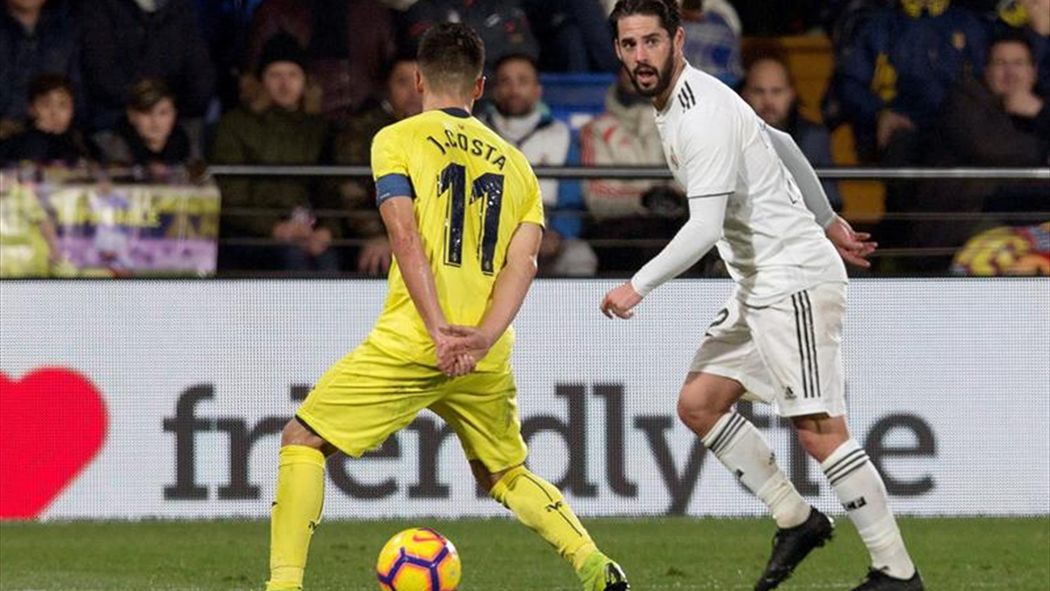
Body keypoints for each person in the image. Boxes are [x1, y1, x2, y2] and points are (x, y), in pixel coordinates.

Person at [265, 22, 630, 591]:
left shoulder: (397, 138)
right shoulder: (517, 166)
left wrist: (438, 328)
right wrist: (480, 337)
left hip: (417, 339)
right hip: (483, 350)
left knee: (303, 438)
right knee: (504, 470)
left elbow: (403, 235)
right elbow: (523, 264)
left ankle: (282, 587)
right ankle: (593, 564)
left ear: (416, 80)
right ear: (480, 87)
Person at [601, 2, 923, 590]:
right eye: (629, 45)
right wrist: (828, 217)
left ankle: (896, 573)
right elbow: (777, 140)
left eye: (651, 42)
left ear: (678, 39)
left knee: (819, 429)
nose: (641, 57)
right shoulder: (694, 100)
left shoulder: (697, 113)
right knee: (699, 403)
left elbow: (703, 228)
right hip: (760, 284)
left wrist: (636, 286)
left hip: (792, 279)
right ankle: (796, 518)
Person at [211, 33, 340, 273]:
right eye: (275, 75)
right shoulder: (235, 125)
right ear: (260, 80)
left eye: (292, 75)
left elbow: (330, 188)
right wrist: (274, 228)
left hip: (308, 228)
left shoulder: (319, 128)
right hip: (253, 234)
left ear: (305, 81)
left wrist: (327, 230)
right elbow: (231, 194)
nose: (285, 84)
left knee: (328, 259)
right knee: (293, 257)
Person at [480, 53, 597, 276]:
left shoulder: (561, 135)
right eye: (506, 81)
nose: (514, 89)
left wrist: (558, 234)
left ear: (537, 90)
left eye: (523, 81)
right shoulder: (476, 133)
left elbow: (572, 197)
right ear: (494, 89)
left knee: (579, 257)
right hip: (486, 238)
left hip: (547, 232)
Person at [331, 55, 421, 276]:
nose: (413, 92)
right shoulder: (362, 130)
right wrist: (379, 235)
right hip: (377, 237)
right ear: (386, 88)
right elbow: (352, 193)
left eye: (420, 82)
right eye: (402, 82)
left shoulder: (445, 128)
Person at [741, 56, 843, 211]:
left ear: (791, 94)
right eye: (758, 91)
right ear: (745, 94)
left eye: (777, 92)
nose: (768, 101)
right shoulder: (725, 135)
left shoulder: (814, 138)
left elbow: (831, 205)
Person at [94, 78, 198, 181]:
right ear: (131, 115)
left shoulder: (188, 148)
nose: (155, 122)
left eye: (163, 113)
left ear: (174, 115)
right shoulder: (107, 149)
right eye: (146, 113)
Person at [0, 74, 97, 167]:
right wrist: (40, 134)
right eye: (45, 105)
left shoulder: (82, 144)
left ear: (72, 110)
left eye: (63, 105)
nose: (54, 112)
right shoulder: (16, 144)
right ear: (32, 109)